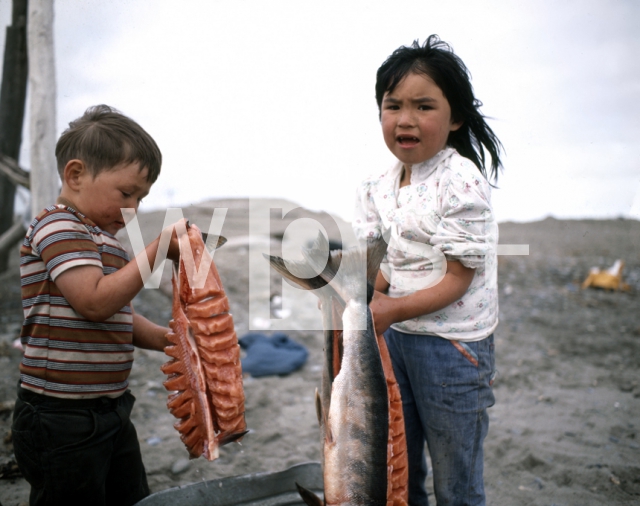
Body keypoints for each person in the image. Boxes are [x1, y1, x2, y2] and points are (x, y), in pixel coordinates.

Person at [353, 36, 503, 506]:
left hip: (453, 348)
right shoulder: (375, 186)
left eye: (424, 106)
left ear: (455, 117)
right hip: (395, 340)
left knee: (455, 482)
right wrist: (363, 302)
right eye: (392, 105)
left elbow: (458, 280)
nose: (406, 119)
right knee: (400, 467)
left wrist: (388, 309)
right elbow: (382, 265)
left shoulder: (460, 181)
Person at [11, 105, 185, 506]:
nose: (133, 210)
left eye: (141, 199)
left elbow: (118, 315)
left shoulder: (104, 240)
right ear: (75, 175)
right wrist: (156, 250)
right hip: (60, 417)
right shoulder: (57, 226)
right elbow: (93, 303)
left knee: (130, 496)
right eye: (126, 194)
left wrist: (168, 339)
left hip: (111, 409)